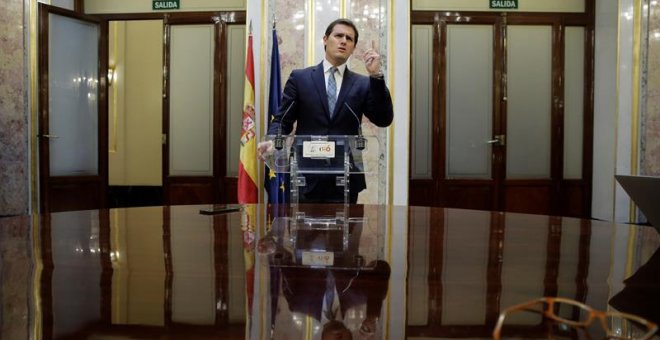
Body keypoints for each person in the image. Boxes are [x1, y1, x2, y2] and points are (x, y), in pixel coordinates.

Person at [257, 18, 394, 203]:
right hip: (304, 177)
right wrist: (273, 140)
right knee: (302, 231)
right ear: (325, 39)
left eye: (349, 38)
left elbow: (383, 119)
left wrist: (376, 77)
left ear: (353, 48)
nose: (344, 41)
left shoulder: (363, 84)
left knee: (346, 231)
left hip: (345, 178)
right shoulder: (300, 78)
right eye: (338, 36)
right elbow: (283, 120)